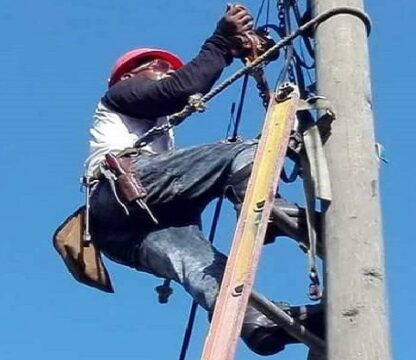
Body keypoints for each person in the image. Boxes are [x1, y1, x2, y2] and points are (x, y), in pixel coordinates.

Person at [84, 4, 323, 356]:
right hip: (121, 193)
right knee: (238, 153)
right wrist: (221, 43)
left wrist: (232, 48)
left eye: (169, 68)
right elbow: (180, 89)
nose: (167, 71)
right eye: (157, 67)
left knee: (201, 266)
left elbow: (180, 89)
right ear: (126, 77)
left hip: (125, 231)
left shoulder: (151, 129)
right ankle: (274, 212)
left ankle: (257, 322)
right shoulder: (119, 96)